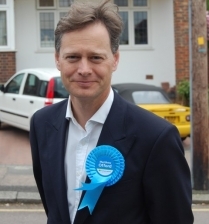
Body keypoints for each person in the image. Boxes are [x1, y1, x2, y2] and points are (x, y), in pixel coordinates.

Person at [29, 0, 194, 223]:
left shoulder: (156, 138)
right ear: (58, 59)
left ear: (115, 60)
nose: (84, 69)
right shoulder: (42, 124)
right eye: (73, 57)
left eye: (96, 57)